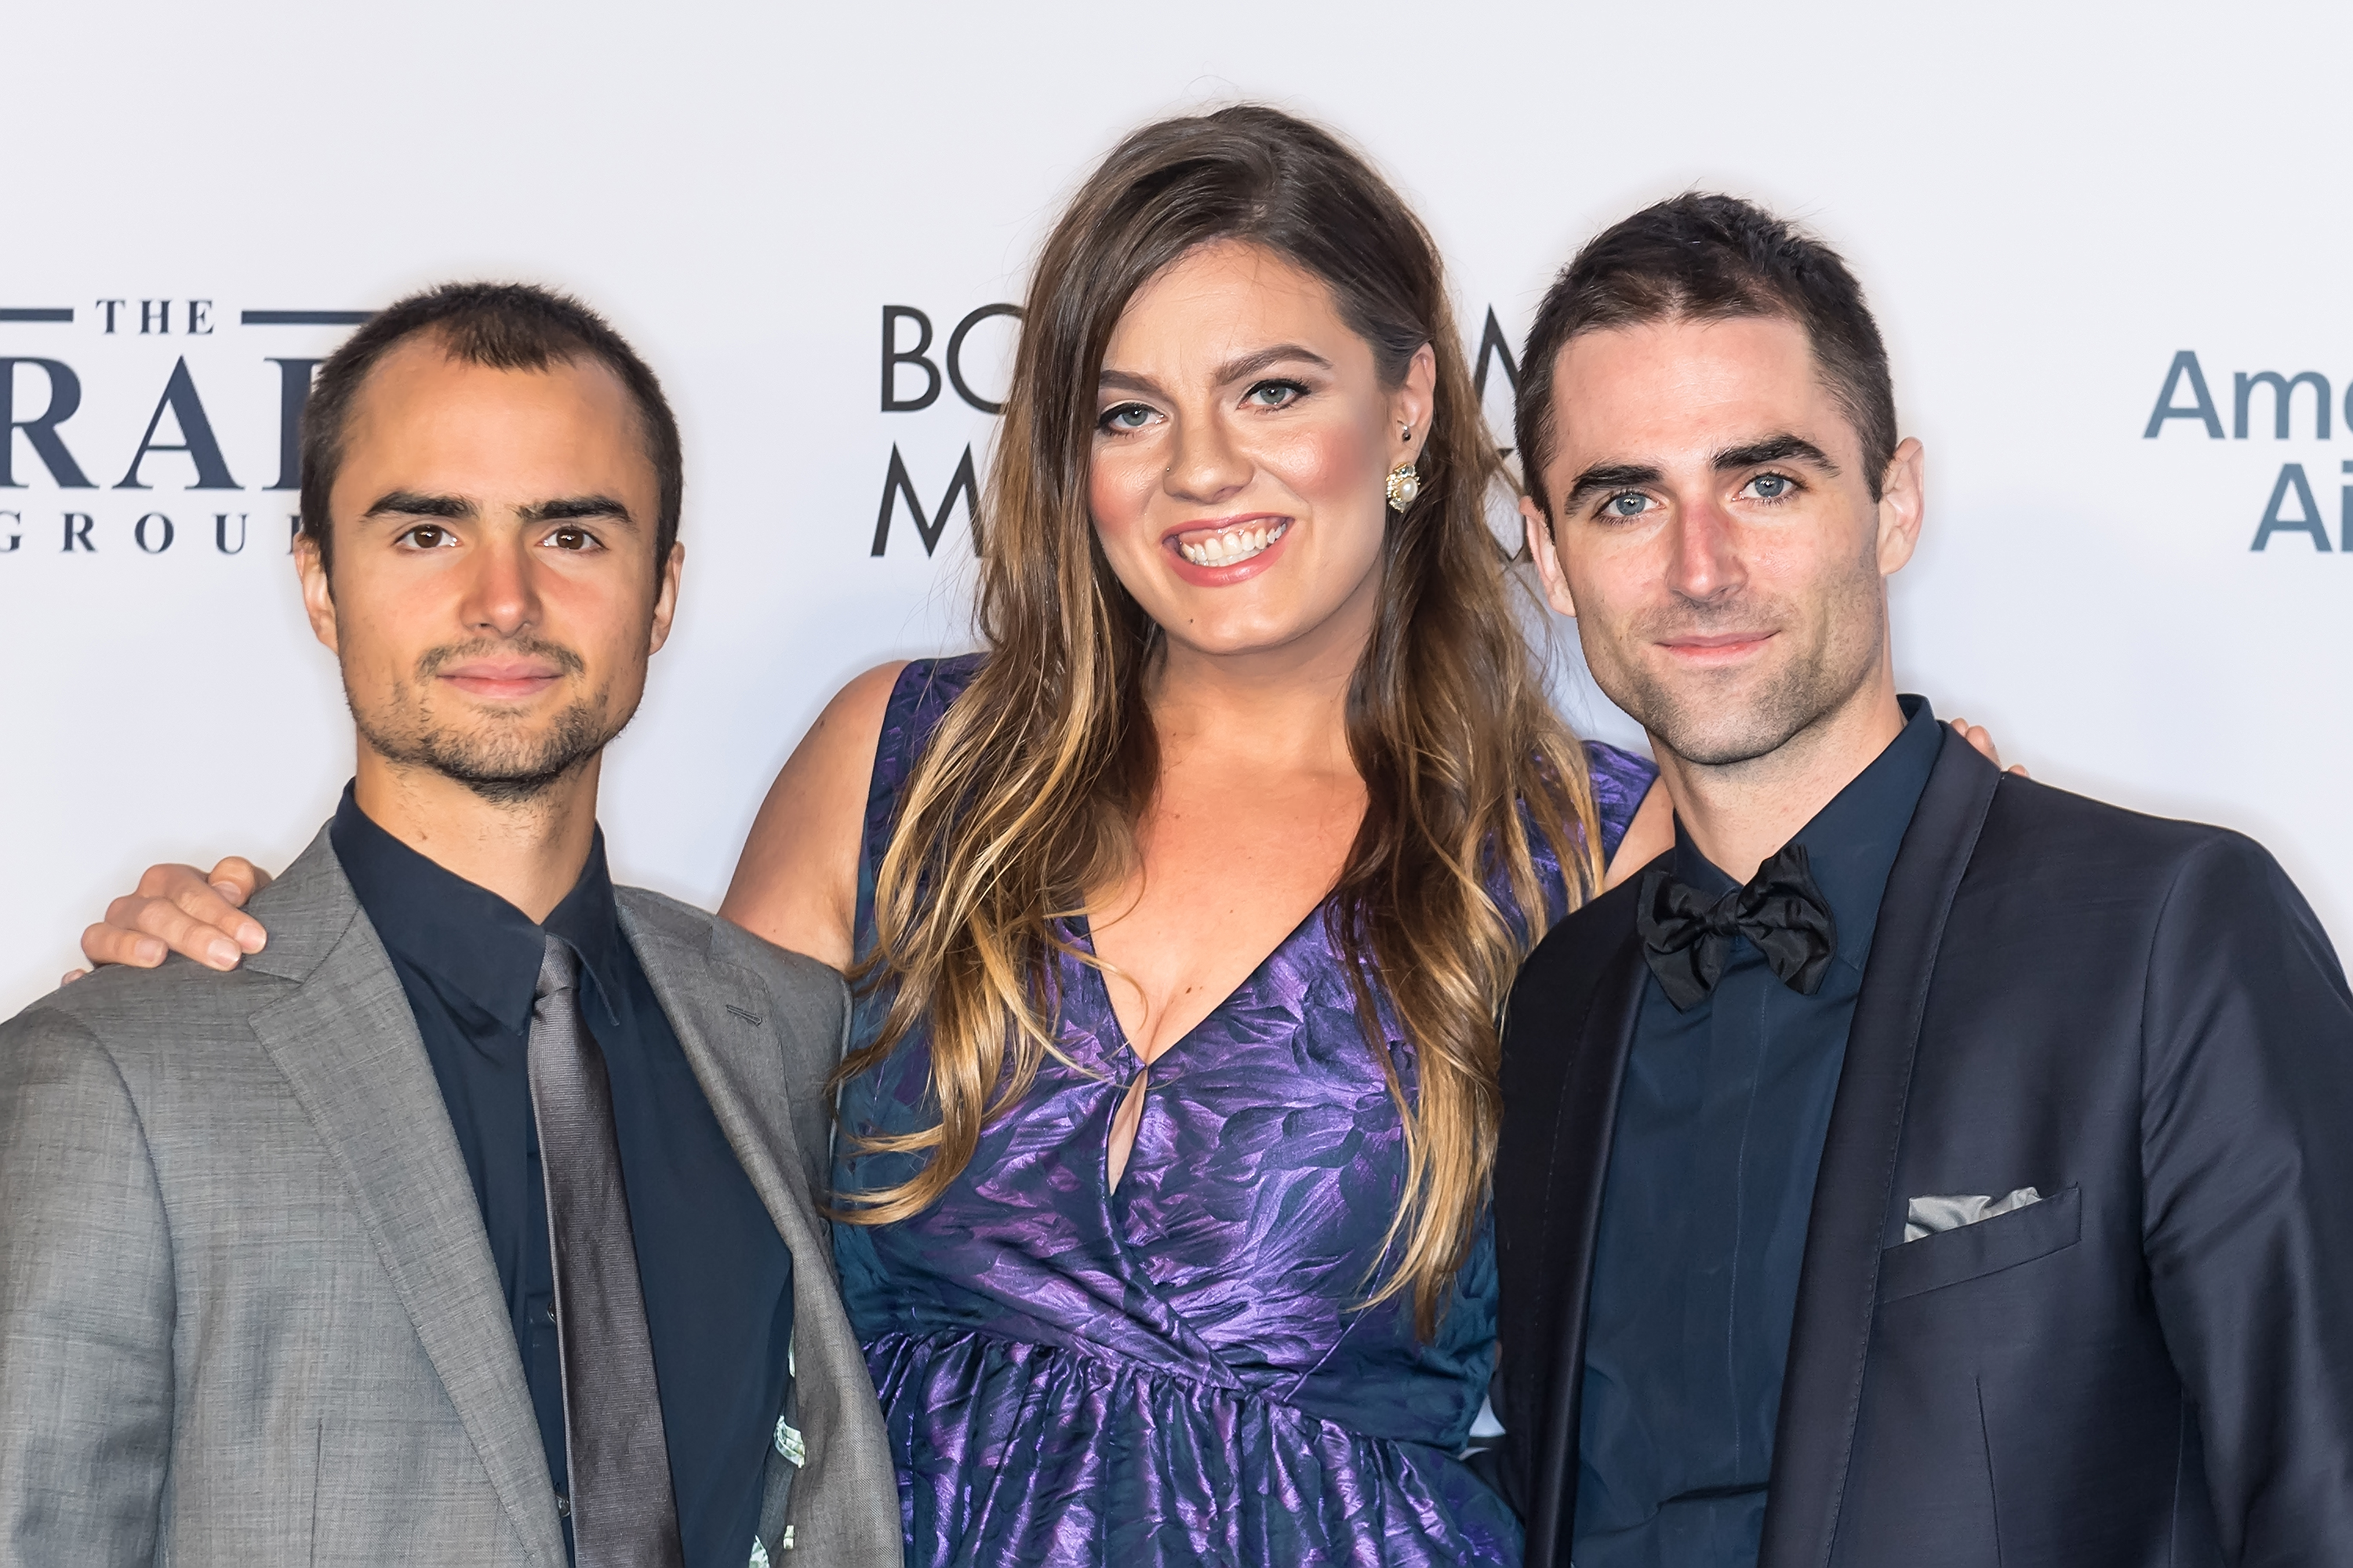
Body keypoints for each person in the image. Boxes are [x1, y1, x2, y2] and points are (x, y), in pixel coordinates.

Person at [71, 109, 1663, 1565]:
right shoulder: (903, 764)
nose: (1199, 469)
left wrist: (1910, 817)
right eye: (1129, 410)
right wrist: (285, 978)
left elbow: (1703, 1381)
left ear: (1409, 411)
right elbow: (618, 1156)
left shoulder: (1590, 846)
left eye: (1273, 390)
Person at [1492, 193, 2353, 1567]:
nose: (1700, 567)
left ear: (1892, 505)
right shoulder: (1558, 1005)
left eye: (1767, 482)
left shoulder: (2166, 933)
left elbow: (2324, 1493)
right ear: (1545, 552)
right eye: (1628, 499)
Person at [0, 284, 900, 1566]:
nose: (504, 600)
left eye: (574, 536)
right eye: (427, 532)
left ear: (660, 592)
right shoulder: (113, 1077)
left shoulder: (791, 1027)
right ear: (318, 583)